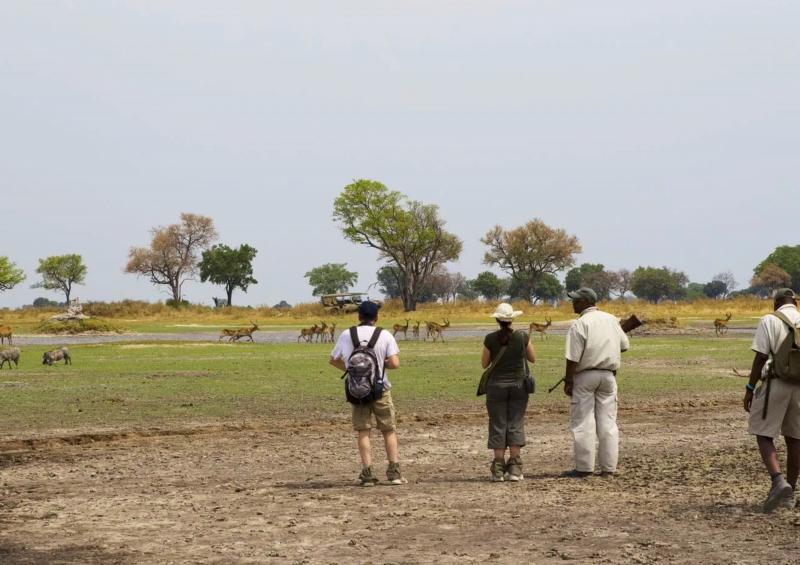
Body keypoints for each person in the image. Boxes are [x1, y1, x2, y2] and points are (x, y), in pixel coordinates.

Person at [329, 301, 406, 486]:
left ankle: (367, 474)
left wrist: (352, 370)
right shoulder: (384, 335)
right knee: (388, 430)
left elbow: (333, 359)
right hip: (381, 389)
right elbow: (395, 363)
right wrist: (379, 365)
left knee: (363, 431)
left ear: (359, 316)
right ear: (376, 317)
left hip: (357, 391)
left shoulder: (347, 334)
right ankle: (394, 474)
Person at [562, 287, 629, 478]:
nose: (573, 303)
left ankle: (584, 468)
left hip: (585, 376)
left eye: (576, 300)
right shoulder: (611, 319)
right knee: (608, 423)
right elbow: (624, 345)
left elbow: (572, 357)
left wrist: (568, 380)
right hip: (608, 376)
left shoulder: (580, 323)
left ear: (585, 302)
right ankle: (608, 468)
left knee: (583, 422)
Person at [743, 288, 800, 512]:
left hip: (776, 383)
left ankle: (777, 481)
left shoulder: (770, 319)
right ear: (795, 303)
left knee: (763, 432)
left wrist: (750, 388)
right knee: (795, 438)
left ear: (776, 303)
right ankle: (790, 494)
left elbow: (761, 356)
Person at [481, 303, 536, 482]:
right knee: (515, 423)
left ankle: (498, 469)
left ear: (497, 320)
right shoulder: (522, 336)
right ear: (512, 319)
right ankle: (515, 468)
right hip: (519, 387)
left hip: (496, 387)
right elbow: (532, 358)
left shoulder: (490, 338)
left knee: (498, 424)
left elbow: (484, 364)